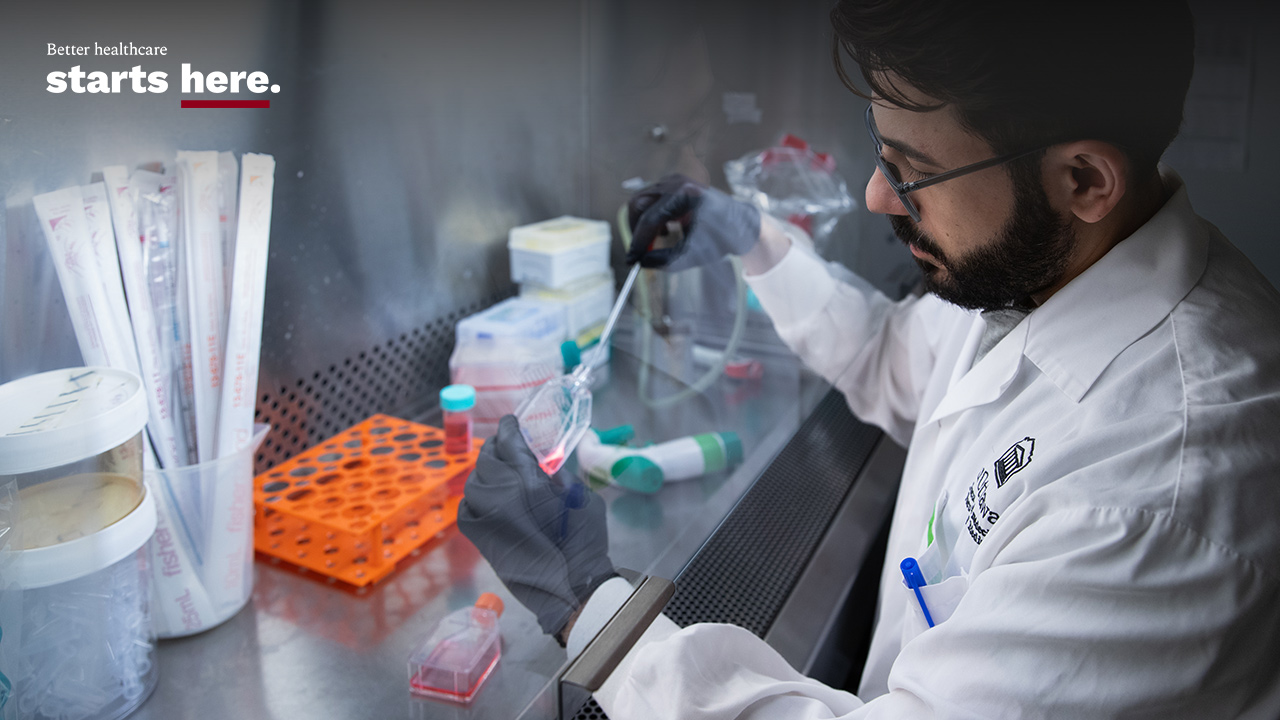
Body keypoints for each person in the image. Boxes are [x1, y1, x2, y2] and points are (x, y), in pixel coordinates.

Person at [459, 0, 1280, 716]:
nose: (876, 195)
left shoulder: (1158, 487)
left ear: (1085, 179)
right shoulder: (1052, 268)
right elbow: (897, 358)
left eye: (914, 170)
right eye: (882, 152)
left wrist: (593, 612)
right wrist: (753, 240)